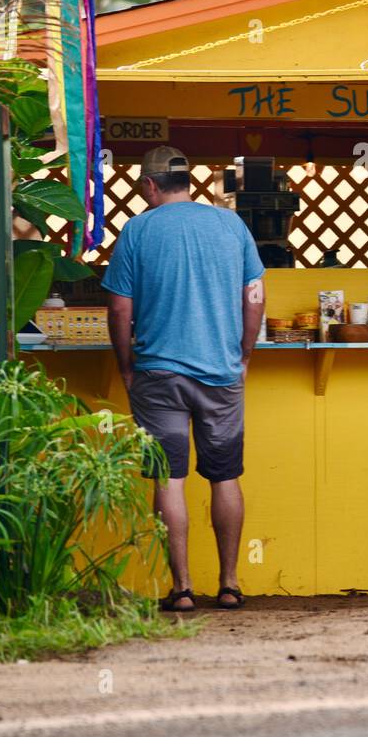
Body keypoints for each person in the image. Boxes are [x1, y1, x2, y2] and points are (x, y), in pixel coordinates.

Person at [103, 146, 265, 612]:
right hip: (220, 375)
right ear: (187, 181)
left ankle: (183, 589)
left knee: (168, 480)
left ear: (150, 185)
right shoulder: (230, 225)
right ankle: (230, 583)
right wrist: (244, 354)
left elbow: (119, 308)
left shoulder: (137, 230)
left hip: (158, 375)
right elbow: (254, 295)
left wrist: (126, 366)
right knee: (225, 475)